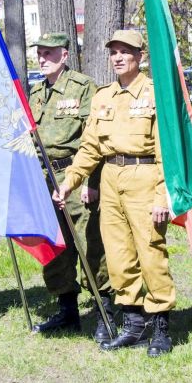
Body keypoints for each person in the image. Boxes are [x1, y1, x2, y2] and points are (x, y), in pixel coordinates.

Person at [53, 30, 176, 357]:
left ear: (140, 56)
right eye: (114, 52)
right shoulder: (103, 96)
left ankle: (161, 324)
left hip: (145, 175)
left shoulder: (154, 93)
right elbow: (90, 146)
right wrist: (70, 181)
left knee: (150, 252)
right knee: (118, 255)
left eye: (126, 52)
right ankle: (134, 323)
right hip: (110, 178)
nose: (119, 58)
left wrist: (163, 195)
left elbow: (166, 149)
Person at [27, 32, 113, 342]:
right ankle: (67, 311)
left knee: (90, 245)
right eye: (39, 53)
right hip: (44, 180)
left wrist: (92, 181)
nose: (42, 58)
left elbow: (96, 139)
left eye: (49, 53)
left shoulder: (84, 88)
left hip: (76, 178)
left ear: (64, 55)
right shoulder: (36, 93)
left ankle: (105, 310)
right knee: (55, 247)